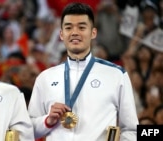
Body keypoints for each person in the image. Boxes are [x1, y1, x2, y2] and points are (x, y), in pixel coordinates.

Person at [28, 2, 138, 141]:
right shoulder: (45, 78)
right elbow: (29, 129)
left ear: (93, 33)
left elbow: (132, 130)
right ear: (61, 34)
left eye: (81, 27)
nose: (75, 32)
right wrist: (47, 120)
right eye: (68, 27)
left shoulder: (116, 75)